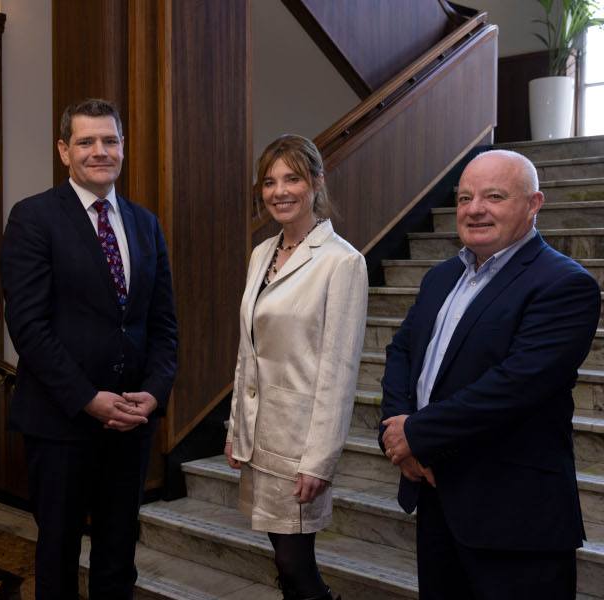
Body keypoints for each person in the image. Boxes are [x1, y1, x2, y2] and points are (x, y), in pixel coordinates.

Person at [380, 149, 600, 599]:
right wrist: (399, 432)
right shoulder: (441, 277)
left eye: (494, 196)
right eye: (464, 198)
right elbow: (401, 353)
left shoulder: (564, 284)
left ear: (534, 203)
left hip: (514, 515)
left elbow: (515, 386)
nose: (475, 209)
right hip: (437, 495)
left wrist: (417, 434)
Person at [0, 98, 177, 599]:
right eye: (86, 142)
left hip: (131, 423)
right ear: (64, 150)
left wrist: (154, 391)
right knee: (56, 556)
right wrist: (87, 398)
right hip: (61, 421)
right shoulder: (33, 218)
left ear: (123, 147)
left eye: (110, 141)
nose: (100, 151)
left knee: (119, 555)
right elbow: (28, 326)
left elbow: (162, 324)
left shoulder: (145, 223)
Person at [224, 134, 368, 600]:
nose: (279, 191)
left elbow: (338, 371)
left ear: (316, 183)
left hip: (301, 442)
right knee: (281, 558)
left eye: (292, 178)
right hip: (260, 434)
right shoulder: (260, 253)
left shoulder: (343, 262)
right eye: (269, 181)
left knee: (294, 559)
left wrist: (320, 459)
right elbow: (249, 351)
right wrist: (235, 430)